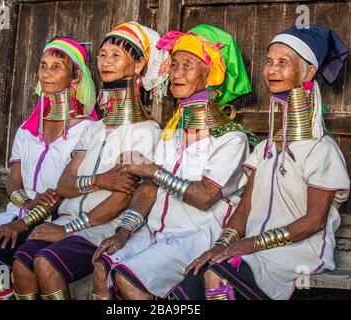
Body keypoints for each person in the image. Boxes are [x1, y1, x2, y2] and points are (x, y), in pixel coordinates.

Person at [176, 25, 351, 300]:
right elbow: (244, 210)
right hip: (254, 250)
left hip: (297, 252)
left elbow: (314, 222)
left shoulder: (321, 150)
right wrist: (221, 245)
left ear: (308, 73)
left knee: (217, 274)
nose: (271, 70)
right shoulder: (265, 150)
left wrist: (251, 245)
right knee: (193, 277)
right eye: (269, 62)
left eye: (283, 63)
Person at [92, 24, 253, 300]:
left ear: (211, 73)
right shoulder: (174, 133)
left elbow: (204, 196)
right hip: (155, 233)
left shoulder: (230, 139)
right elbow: (148, 189)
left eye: (188, 66)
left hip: (194, 239)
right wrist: (124, 230)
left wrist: (152, 170)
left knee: (128, 280)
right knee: (102, 264)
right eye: (174, 64)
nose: (176, 73)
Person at [11, 21, 168, 300]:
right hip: (68, 218)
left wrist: (67, 229)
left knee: (45, 264)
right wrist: (99, 180)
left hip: (102, 227)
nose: (105, 62)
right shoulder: (94, 129)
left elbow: (123, 196)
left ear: (139, 64)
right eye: (102, 55)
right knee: (22, 263)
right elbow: (64, 184)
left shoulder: (146, 131)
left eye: (116, 56)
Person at [0, 36, 97, 300]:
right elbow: (13, 180)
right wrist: (26, 202)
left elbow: (64, 190)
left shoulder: (85, 131)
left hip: (54, 217)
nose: (46, 73)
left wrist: (27, 218)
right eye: (43, 66)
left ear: (75, 77)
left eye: (57, 67)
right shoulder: (28, 129)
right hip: (20, 211)